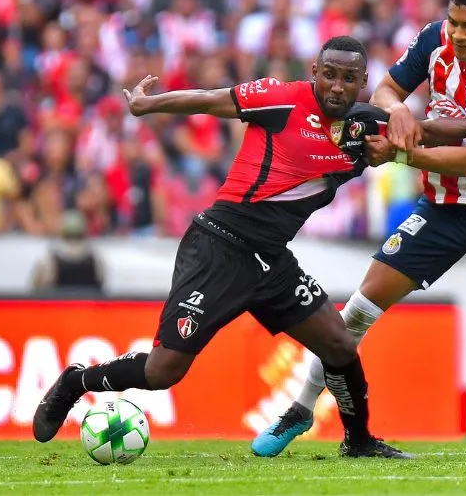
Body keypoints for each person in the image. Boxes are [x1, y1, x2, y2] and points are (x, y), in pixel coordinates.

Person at [34, 37, 410, 458]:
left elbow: (423, 133)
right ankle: (74, 382)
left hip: (271, 260)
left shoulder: (366, 131)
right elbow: (210, 100)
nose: (337, 86)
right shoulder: (281, 99)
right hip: (219, 247)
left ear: (362, 83)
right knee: (163, 372)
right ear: (314, 73)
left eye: (348, 79)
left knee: (339, 345)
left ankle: (358, 441)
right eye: (329, 75)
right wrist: (147, 105)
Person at [252, 0, 466, 458]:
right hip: (439, 210)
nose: (459, 34)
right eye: (453, 22)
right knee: (356, 312)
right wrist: (398, 110)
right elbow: (383, 89)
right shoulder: (433, 40)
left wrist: (400, 152)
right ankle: (300, 408)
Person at [30, 209, 106, 292]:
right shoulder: (96, 259)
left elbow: (37, 289)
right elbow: (101, 284)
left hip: (60, 304)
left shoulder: (50, 260)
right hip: (86, 304)